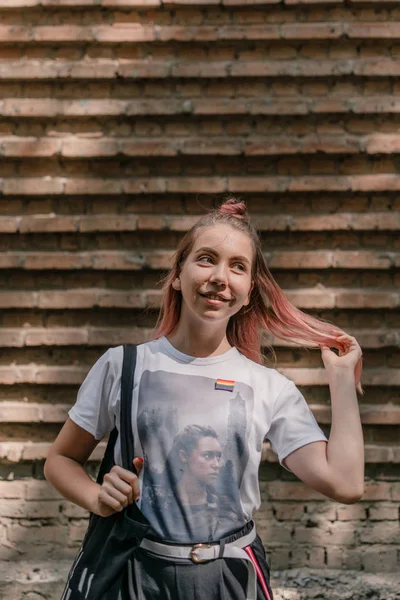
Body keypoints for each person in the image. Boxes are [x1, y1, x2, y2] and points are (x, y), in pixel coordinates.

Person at [44, 198, 364, 600]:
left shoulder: (269, 386)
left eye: (237, 266)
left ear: (248, 292)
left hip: (229, 578)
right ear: (177, 275)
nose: (220, 277)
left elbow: (347, 484)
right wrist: (96, 496)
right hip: (135, 574)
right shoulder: (122, 366)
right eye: (206, 259)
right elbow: (59, 460)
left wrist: (340, 382)